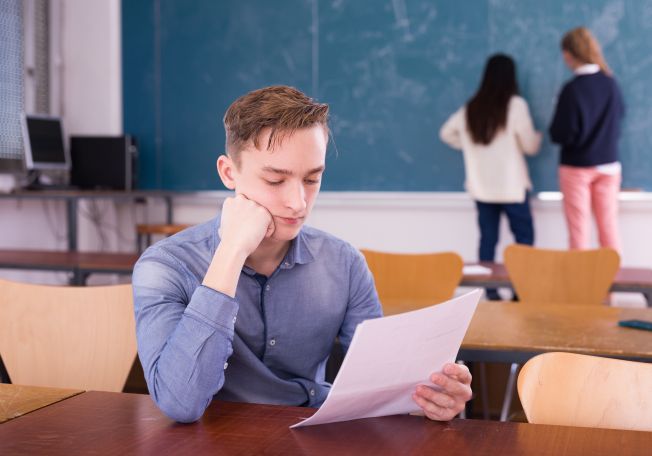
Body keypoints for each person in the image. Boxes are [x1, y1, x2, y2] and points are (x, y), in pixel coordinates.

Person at [133, 85, 472, 423]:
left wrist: (428, 397)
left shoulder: (344, 263)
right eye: (275, 181)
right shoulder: (165, 266)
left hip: (310, 434)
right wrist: (232, 251)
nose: (298, 203)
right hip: (211, 440)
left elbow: (380, 384)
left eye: (312, 179)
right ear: (228, 173)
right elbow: (180, 403)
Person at [440, 54, 542, 300]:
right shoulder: (515, 105)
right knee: (523, 241)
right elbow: (529, 146)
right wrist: (537, 138)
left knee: (488, 240)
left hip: (482, 187)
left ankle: (491, 293)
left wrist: (468, 145)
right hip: (512, 187)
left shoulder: (472, 106)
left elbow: (446, 133)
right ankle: (521, 291)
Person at [549, 27, 625, 252]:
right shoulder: (611, 84)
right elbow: (620, 116)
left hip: (577, 167)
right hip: (609, 166)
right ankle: (611, 287)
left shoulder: (572, 90)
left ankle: (581, 288)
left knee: (578, 232)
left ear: (568, 54)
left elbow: (562, 133)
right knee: (608, 229)